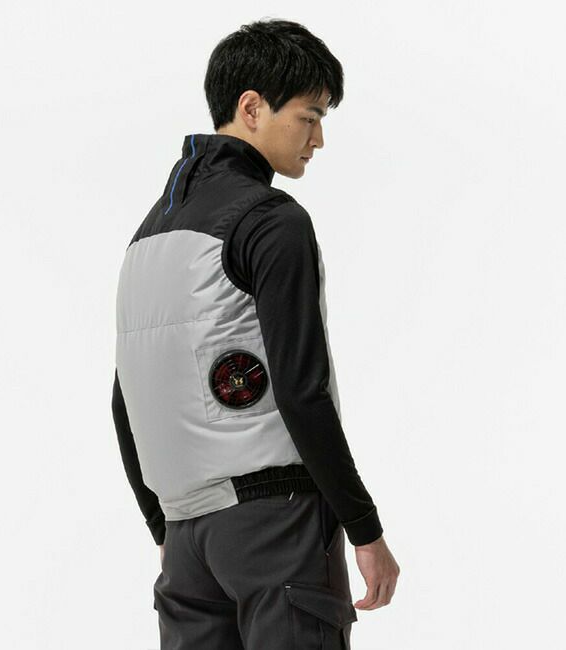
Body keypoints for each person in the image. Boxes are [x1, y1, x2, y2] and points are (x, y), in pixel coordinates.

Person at [111, 17, 400, 649]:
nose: (318, 138)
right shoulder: (272, 221)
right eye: (309, 116)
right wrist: (364, 527)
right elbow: (302, 391)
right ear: (251, 108)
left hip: (188, 544)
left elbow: (125, 400)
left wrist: (166, 529)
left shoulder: (147, 236)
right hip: (277, 525)